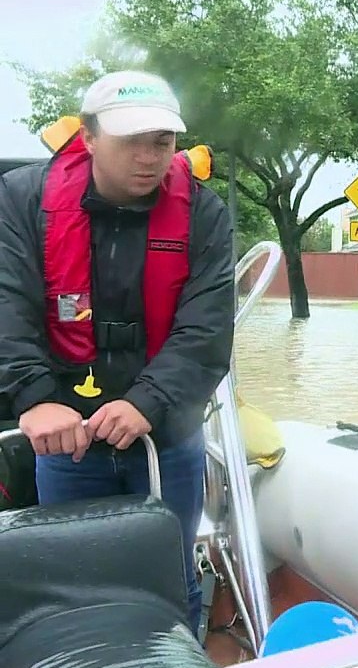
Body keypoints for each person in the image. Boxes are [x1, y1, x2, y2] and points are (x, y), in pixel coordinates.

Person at [0, 70, 236, 637]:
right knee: (73, 586)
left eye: (162, 141)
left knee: (171, 574)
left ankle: (180, 665)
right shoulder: (23, 199)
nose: (149, 157)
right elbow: (7, 300)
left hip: (165, 437)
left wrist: (149, 403)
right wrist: (32, 399)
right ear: (88, 136)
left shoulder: (204, 213)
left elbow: (206, 331)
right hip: (66, 438)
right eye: (132, 139)